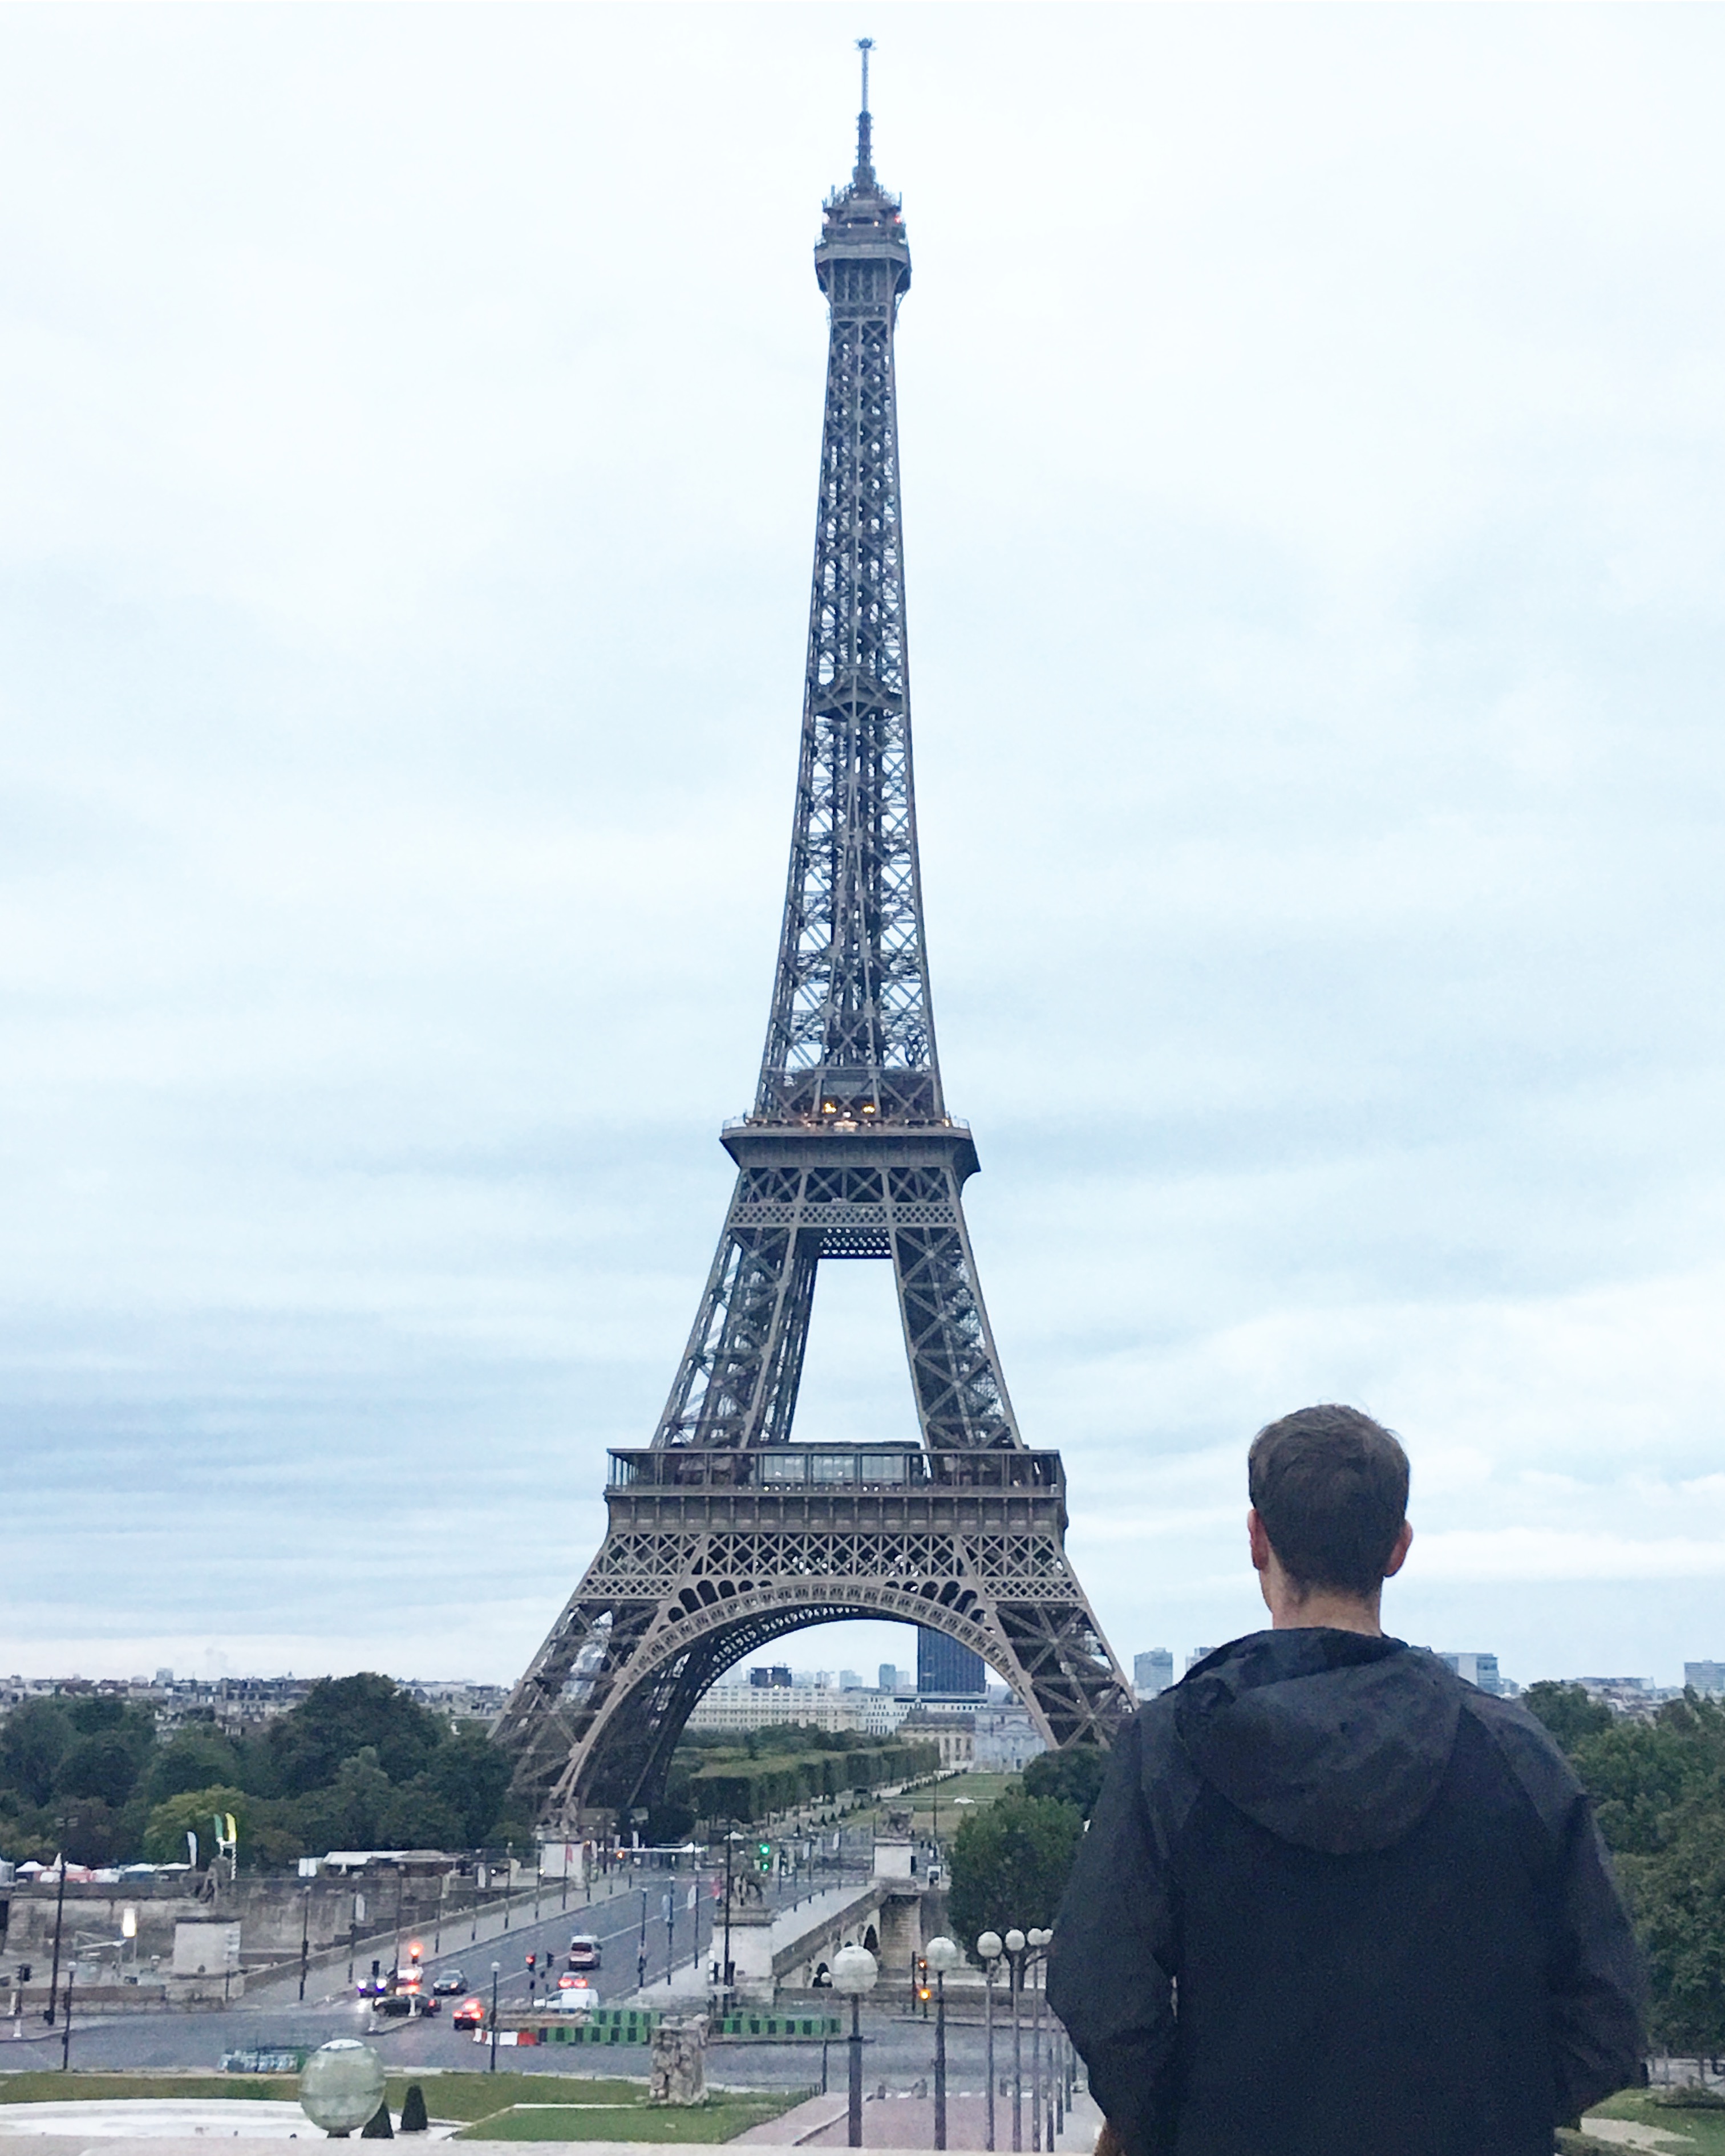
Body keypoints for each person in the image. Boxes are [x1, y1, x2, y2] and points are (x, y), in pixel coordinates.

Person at [1048, 1403, 1645, 2156]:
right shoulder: (1514, 1754)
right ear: (1397, 1548)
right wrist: (1482, 2111)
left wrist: (1195, 2123)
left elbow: (1102, 1997)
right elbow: (1607, 2014)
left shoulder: (1169, 1750)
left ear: (1257, 1539)